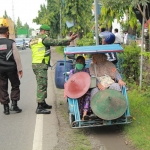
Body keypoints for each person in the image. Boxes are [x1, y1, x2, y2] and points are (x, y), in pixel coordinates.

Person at [30, 24, 78, 114]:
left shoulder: (34, 39)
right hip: (40, 63)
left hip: (36, 63)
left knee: (43, 83)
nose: (48, 34)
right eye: (47, 32)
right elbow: (56, 42)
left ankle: (43, 103)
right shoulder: (44, 39)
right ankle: (39, 107)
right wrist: (69, 40)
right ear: (43, 31)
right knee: (42, 85)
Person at [0, 26, 23, 115]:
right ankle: (14, 105)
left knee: (2, 87)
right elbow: (16, 57)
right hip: (11, 68)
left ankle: (6, 108)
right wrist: (20, 69)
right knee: (15, 85)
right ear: (6, 33)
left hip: (0, 70)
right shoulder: (11, 43)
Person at [69, 56, 92, 120]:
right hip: (75, 90)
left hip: (85, 89)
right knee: (76, 98)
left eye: (81, 62)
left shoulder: (87, 71)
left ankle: (85, 114)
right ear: (76, 63)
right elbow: (70, 81)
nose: (79, 63)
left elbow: (89, 79)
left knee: (88, 96)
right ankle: (77, 114)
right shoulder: (72, 71)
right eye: (78, 62)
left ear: (84, 63)